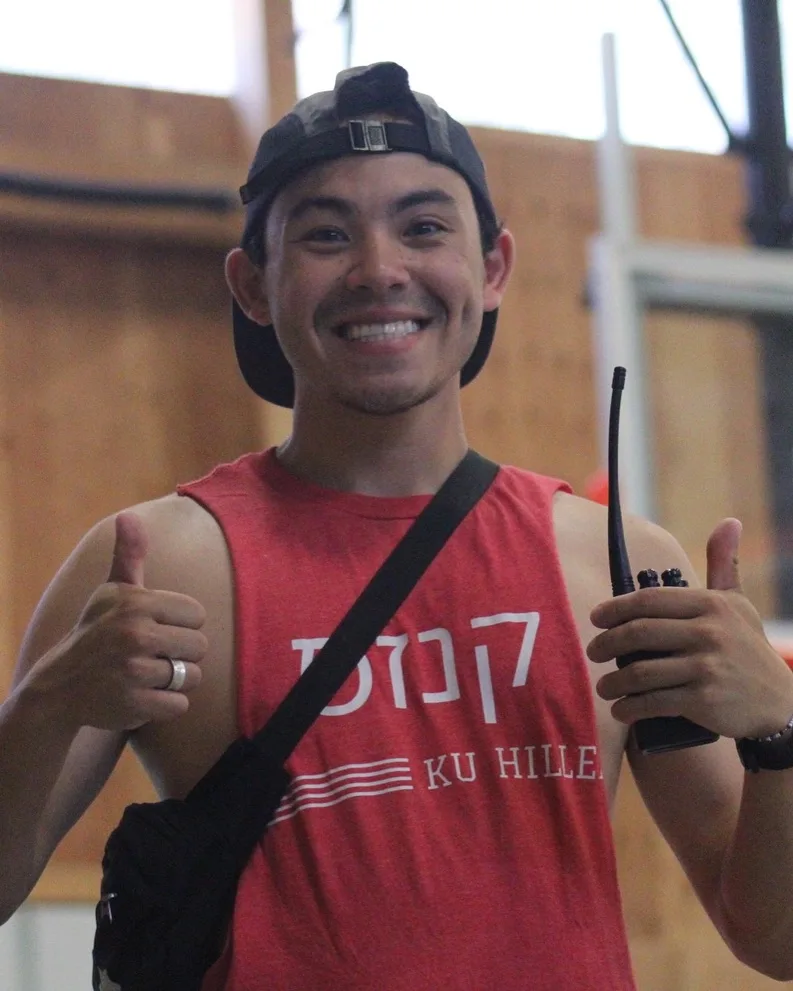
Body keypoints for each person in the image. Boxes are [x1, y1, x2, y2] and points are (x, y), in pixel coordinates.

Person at [2, 60, 793, 991]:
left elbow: (772, 940)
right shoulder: (162, 561)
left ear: (491, 267)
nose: (379, 272)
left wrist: (777, 732)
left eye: (422, 228)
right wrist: (48, 706)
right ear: (253, 284)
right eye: (327, 235)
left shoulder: (614, 566)